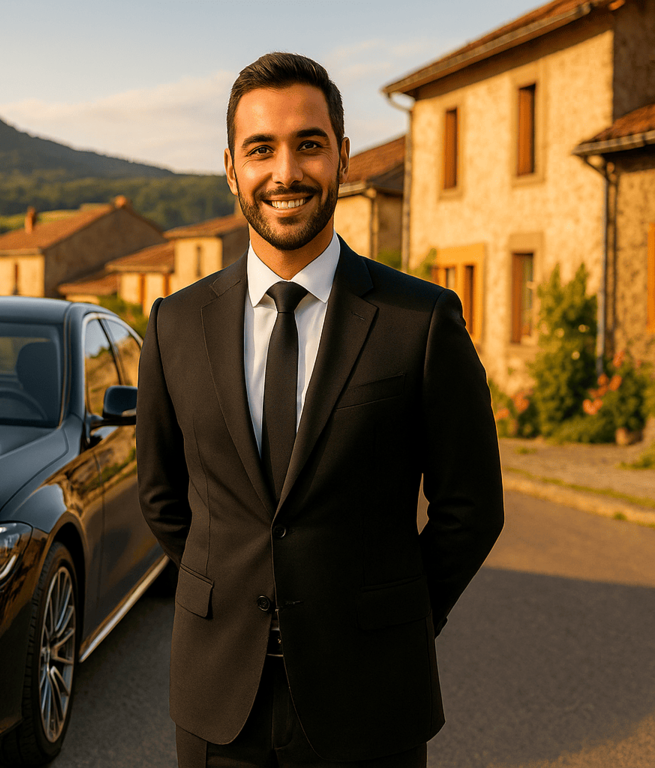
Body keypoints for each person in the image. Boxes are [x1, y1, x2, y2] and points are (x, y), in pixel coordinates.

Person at [137, 52, 504, 767]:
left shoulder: (420, 320)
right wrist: (231, 592)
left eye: (308, 144)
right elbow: (161, 495)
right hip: (219, 700)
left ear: (342, 156)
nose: (285, 172)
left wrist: (396, 617)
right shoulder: (174, 325)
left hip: (371, 697)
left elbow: (471, 506)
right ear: (232, 167)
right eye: (261, 149)